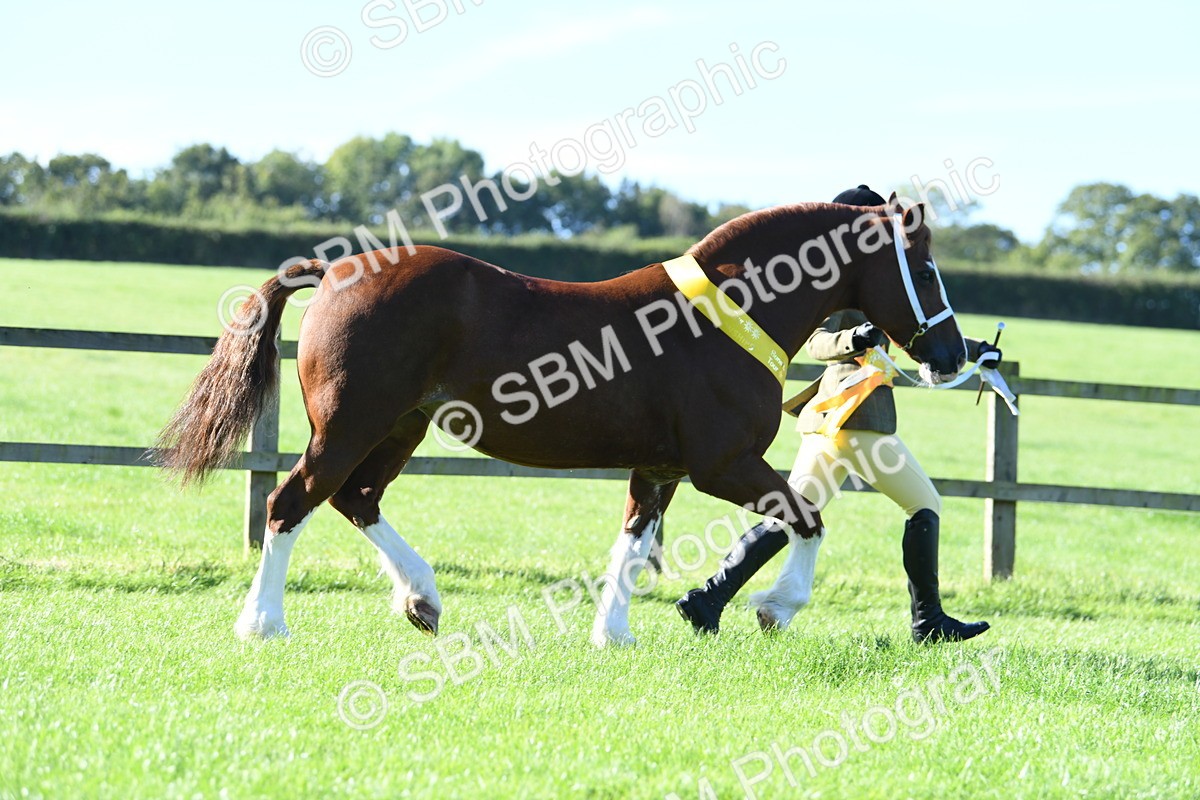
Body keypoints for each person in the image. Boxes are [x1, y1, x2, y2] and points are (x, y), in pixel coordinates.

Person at [675, 185, 1003, 644]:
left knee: (792, 513)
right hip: (857, 420)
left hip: (828, 426)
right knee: (925, 504)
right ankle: (928, 621)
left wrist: (975, 351)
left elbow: (914, 334)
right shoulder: (845, 285)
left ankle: (709, 597)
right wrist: (857, 337)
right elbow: (817, 343)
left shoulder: (883, 281)